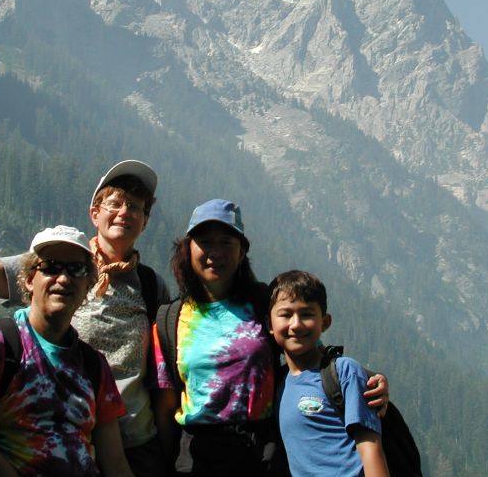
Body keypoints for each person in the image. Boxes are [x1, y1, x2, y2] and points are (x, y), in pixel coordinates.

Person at [0, 160, 172, 477]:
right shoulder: (60, 259)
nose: (124, 213)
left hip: (132, 438)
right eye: (114, 203)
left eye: (135, 207)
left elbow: (163, 367)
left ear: (146, 220)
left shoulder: (150, 285)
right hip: (65, 433)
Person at [152, 199, 390, 476]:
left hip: (261, 451)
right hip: (195, 455)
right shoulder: (170, 319)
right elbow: (166, 405)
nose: (215, 252)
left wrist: (371, 381)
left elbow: (311, 354)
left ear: (242, 251)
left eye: (226, 242)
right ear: (188, 249)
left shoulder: (263, 302)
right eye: (205, 241)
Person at [0, 225, 134, 476]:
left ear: (89, 284)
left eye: (76, 269)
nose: (64, 278)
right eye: (51, 267)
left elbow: (116, 464)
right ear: (28, 279)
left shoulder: (94, 365)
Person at [269, 270, 389, 477]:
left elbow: (370, 449)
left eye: (306, 314)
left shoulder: (343, 371)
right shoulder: (278, 382)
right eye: (286, 314)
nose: (296, 324)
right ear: (270, 325)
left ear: (324, 322)